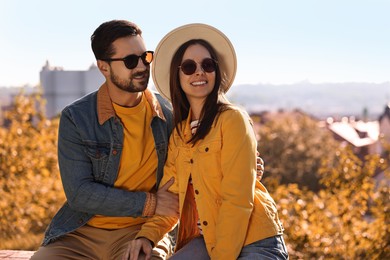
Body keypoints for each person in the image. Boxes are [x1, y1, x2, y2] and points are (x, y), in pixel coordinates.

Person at [124, 23, 288, 260]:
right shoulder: (179, 134)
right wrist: (147, 236)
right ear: (177, 75)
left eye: (207, 65)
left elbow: (237, 201)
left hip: (256, 242)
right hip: (208, 242)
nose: (199, 72)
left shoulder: (233, 120)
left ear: (216, 71)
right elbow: (171, 198)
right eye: (189, 67)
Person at [31, 20, 179, 260]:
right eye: (131, 61)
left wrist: (244, 165)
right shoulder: (77, 118)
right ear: (104, 67)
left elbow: (198, 157)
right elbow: (80, 193)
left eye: (146, 57)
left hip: (140, 230)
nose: (142, 66)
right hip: (81, 233)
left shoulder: (168, 114)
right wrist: (150, 203)